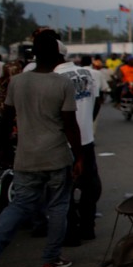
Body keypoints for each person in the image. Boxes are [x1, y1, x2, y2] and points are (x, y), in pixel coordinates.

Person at [0, 30, 82, 267]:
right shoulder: (62, 83)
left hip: (25, 156)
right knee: (57, 205)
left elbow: (6, 120)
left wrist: (2, 147)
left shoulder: (18, 82)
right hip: (56, 155)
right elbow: (70, 125)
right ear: (57, 55)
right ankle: (51, 259)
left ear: (34, 55)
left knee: (20, 204)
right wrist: (79, 157)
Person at [54, 53, 103, 243]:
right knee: (90, 187)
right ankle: (88, 227)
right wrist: (87, 124)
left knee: (63, 189)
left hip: (62, 143)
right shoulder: (88, 74)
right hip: (86, 141)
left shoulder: (52, 78)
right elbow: (97, 103)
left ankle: (71, 232)